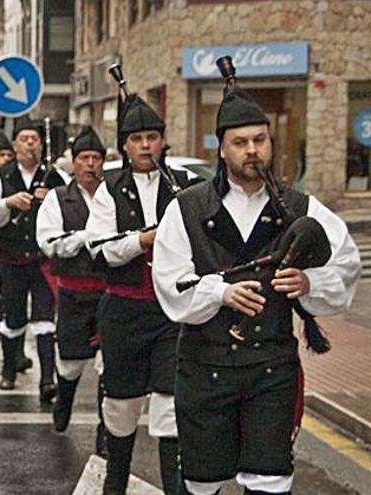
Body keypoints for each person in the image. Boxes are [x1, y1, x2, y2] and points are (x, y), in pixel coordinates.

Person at [152, 72, 361, 495]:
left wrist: (308, 282)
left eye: (260, 140)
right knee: (202, 482)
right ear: (222, 148)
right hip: (204, 366)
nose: (253, 150)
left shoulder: (301, 206)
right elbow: (170, 284)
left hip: (271, 369)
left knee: (270, 479)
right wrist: (221, 292)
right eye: (241, 142)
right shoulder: (188, 208)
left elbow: (345, 266)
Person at [84, 95, 191, 495]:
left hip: (170, 312)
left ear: (163, 142)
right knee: (121, 406)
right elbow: (100, 248)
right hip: (124, 310)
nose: (146, 145)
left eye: (153, 137)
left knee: (168, 404)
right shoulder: (110, 189)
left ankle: (174, 486)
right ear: (124, 146)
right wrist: (144, 239)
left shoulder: (185, 185)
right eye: (137, 138)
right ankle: (116, 478)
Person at [0, 117, 65, 399]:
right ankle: (8, 371)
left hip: (42, 261)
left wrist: (51, 196)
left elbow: (70, 205)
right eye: (24, 139)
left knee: (44, 318)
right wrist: (8, 202)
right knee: (13, 317)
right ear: (15, 144)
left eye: (34, 139)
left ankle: (47, 380)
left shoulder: (52, 175)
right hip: (12, 261)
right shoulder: (2, 175)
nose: (29, 144)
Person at [36, 126, 107, 443]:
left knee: (111, 363)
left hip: (111, 292)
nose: (91, 164)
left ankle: (108, 429)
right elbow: (49, 243)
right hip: (74, 292)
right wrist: (84, 238)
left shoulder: (114, 195)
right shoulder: (57, 198)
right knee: (71, 360)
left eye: (96, 158)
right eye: (84, 158)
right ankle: (64, 397)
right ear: (74, 163)